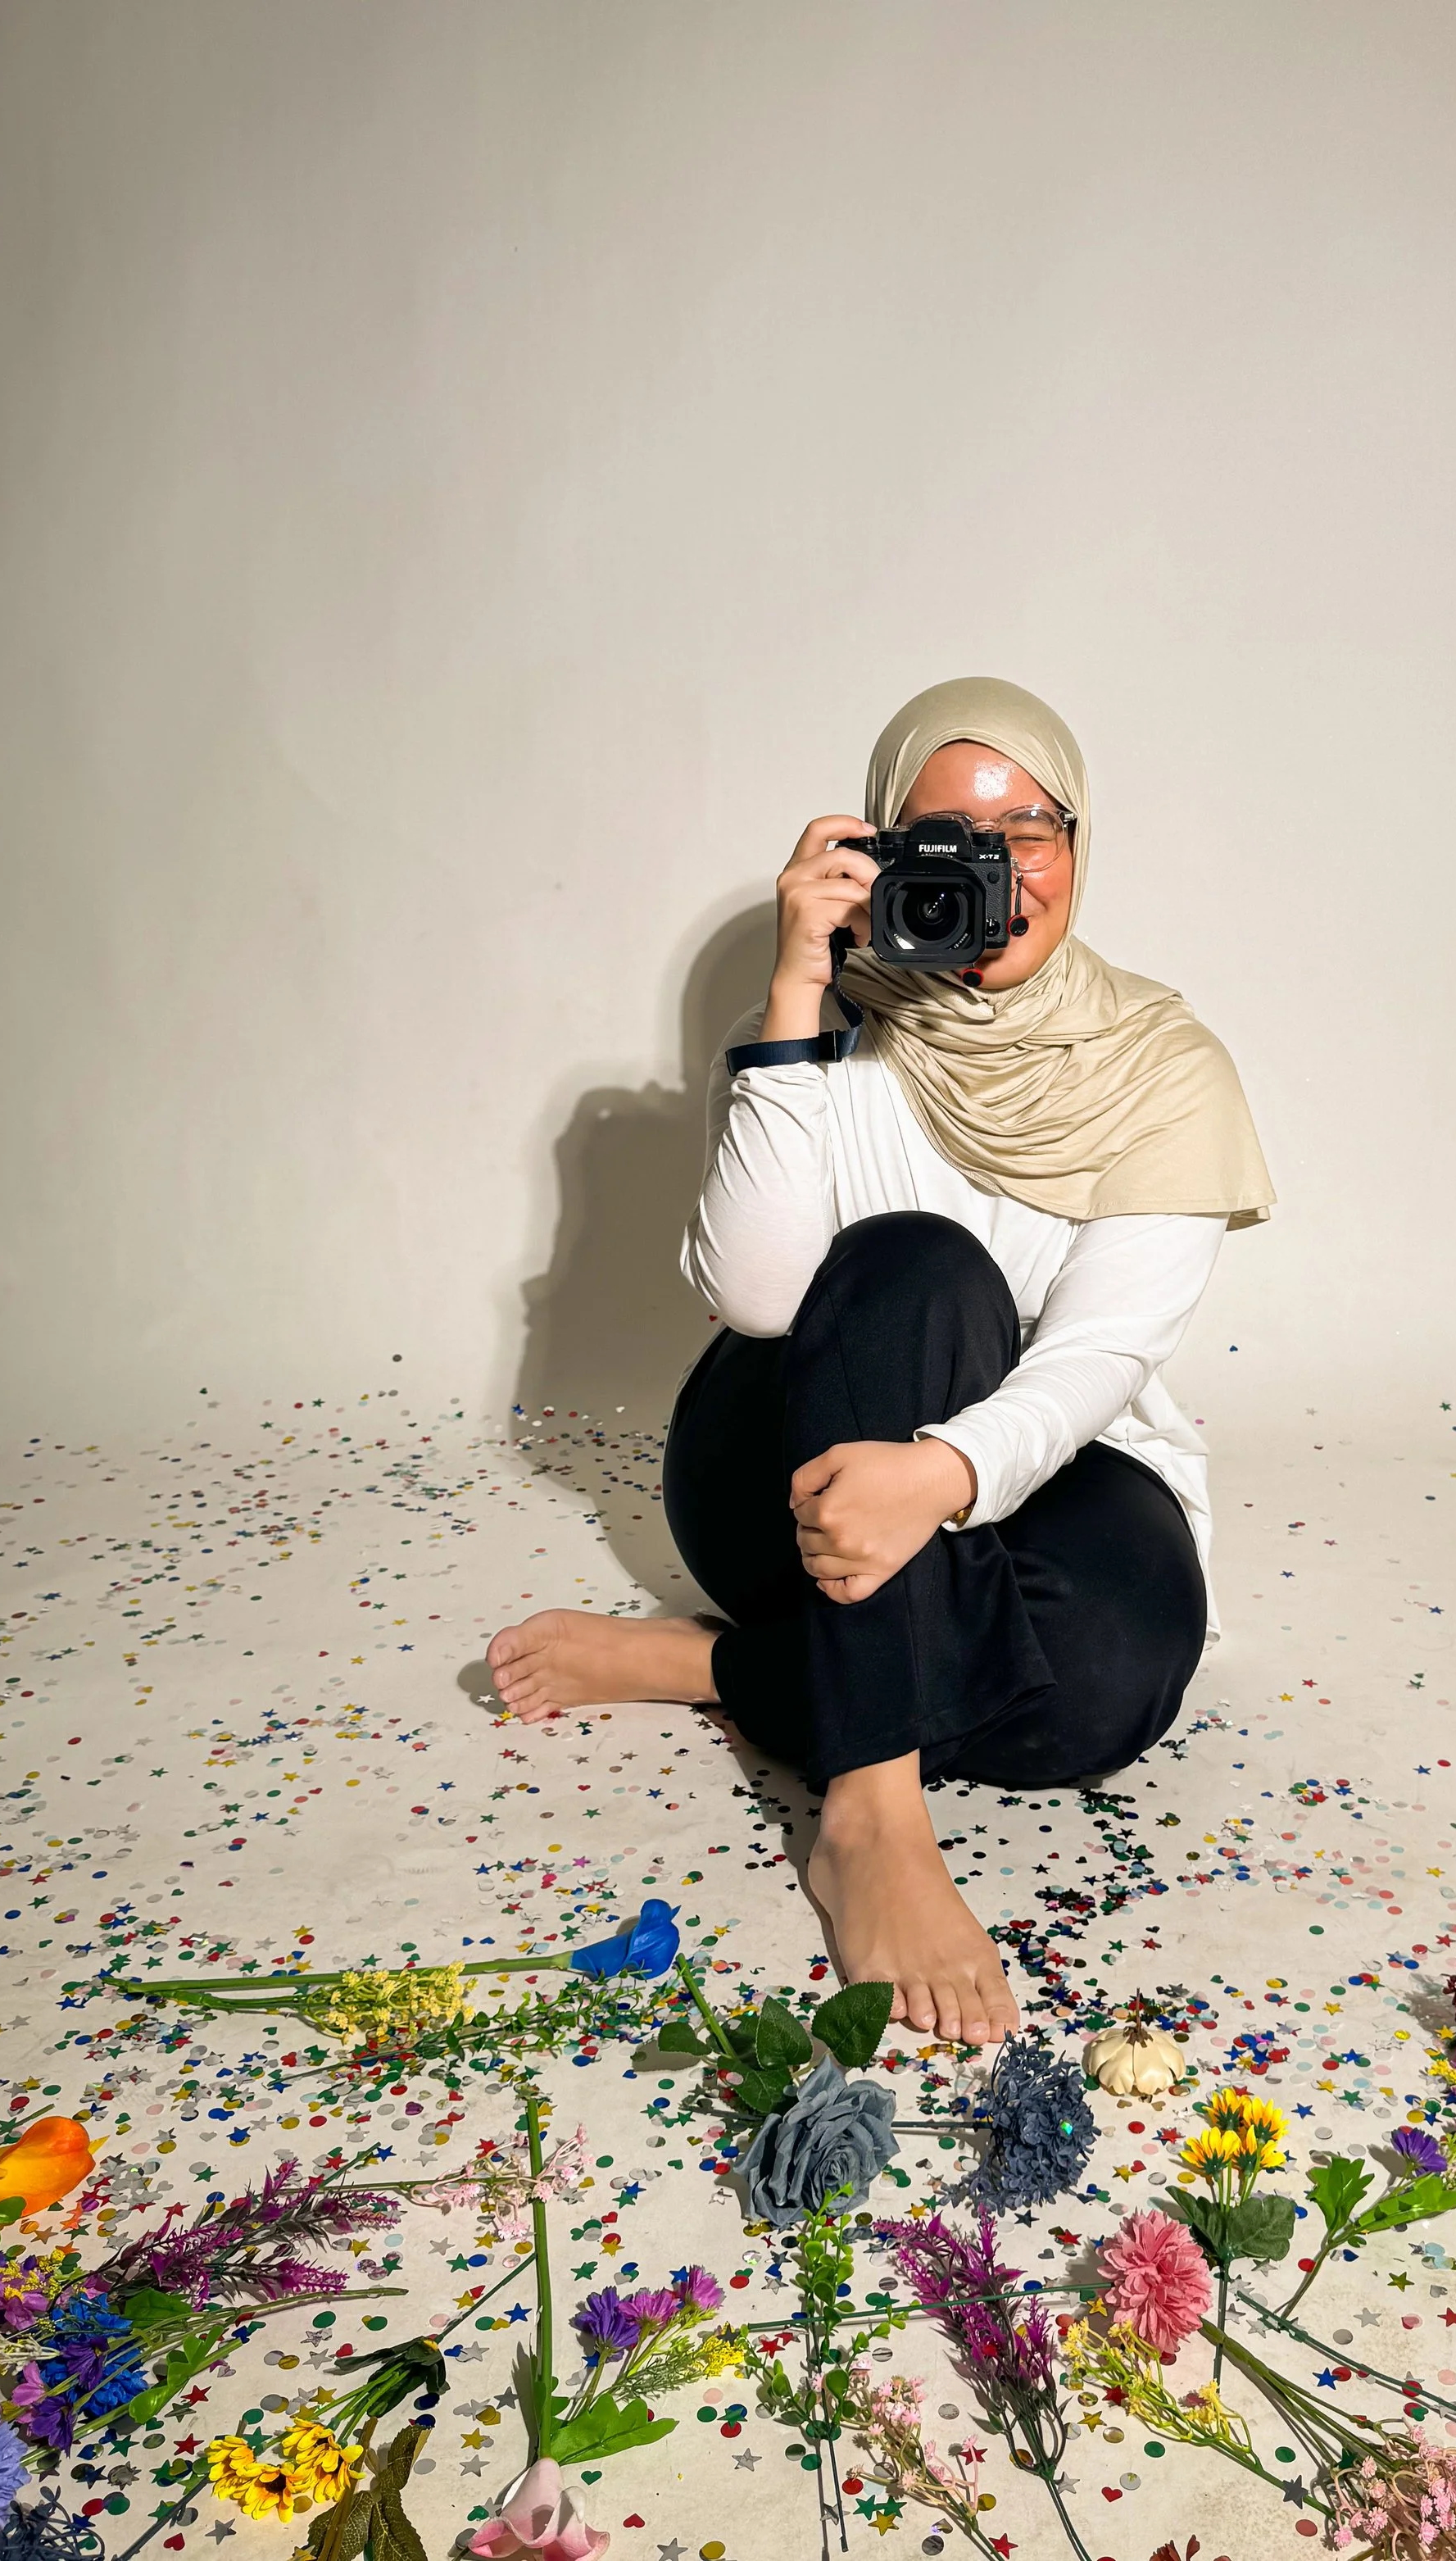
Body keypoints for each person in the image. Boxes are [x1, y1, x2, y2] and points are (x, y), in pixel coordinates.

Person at [488, 678, 1273, 2044]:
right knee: (916, 1261)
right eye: (944, 838)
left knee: (1112, 1690)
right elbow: (755, 1293)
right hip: (796, 1465)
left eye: (1030, 830)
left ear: (1080, 847)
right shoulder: (843, 1025)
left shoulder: (1163, 1063)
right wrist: (796, 991)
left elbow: (1099, 1353)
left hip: (1028, 1460)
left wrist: (949, 1471)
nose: (995, 872)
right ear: (877, 852)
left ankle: (719, 1670)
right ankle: (873, 1804)